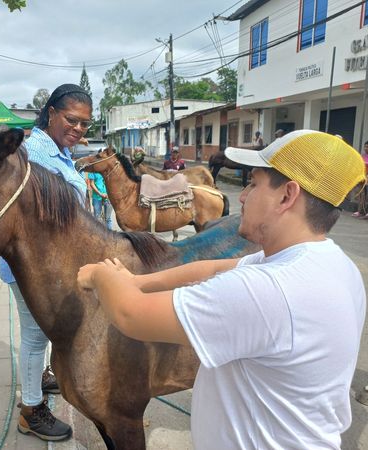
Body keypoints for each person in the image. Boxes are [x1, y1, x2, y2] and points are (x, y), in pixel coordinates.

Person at [77, 129, 366, 449]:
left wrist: (100, 275)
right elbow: (212, 268)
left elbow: (130, 315)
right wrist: (135, 281)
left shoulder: (268, 291)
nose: (242, 197)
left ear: (287, 196)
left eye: (253, 184)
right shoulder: (332, 264)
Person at [0, 84, 92, 442]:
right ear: (50, 113)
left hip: (52, 263)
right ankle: (31, 411)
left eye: (84, 123)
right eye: (71, 120)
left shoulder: (59, 150)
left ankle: (39, 378)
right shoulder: (34, 154)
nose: (78, 129)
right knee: (35, 335)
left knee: (44, 331)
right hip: (33, 266)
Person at [352, 141, 368, 219]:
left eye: (367, 147)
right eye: (365, 146)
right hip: (362, 179)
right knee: (361, 196)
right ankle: (360, 211)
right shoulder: (363, 156)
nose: (366, 148)